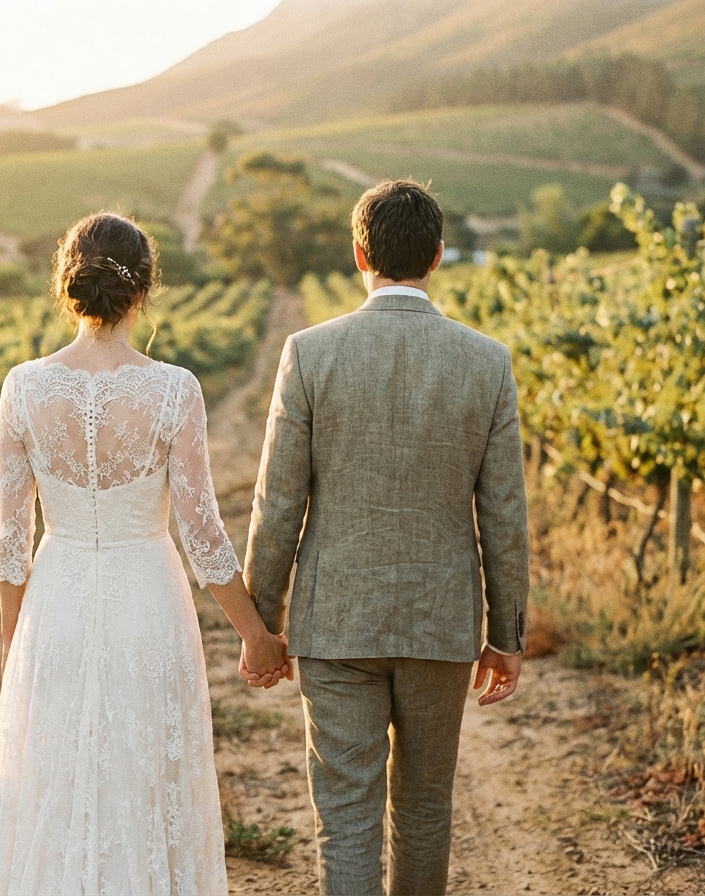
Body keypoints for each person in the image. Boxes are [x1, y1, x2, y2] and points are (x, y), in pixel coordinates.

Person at [0, 212, 291, 896]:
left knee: (57, 776)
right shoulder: (174, 389)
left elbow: (10, 541)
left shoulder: (22, 387)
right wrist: (255, 634)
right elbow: (204, 536)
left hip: (55, 600)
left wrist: (12, 644)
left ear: (67, 285)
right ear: (143, 290)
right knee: (143, 773)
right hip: (147, 596)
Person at [241, 180, 530, 896]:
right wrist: (507, 632)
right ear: (436, 257)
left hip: (334, 623)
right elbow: (504, 512)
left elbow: (278, 501)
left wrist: (261, 622)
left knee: (345, 816)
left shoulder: (309, 354)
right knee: (426, 808)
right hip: (440, 623)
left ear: (359, 253)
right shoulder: (486, 360)